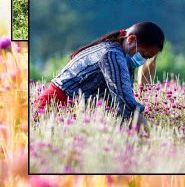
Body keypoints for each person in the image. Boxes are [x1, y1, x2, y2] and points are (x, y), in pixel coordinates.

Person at [33, 21, 165, 133]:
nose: (142, 60)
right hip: (56, 106)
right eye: (143, 54)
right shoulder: (112, 55)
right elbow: (125, 102)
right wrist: (149, 135)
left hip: (73, 110)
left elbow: (119, 103)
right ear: (131, 40)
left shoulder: (121, 55)